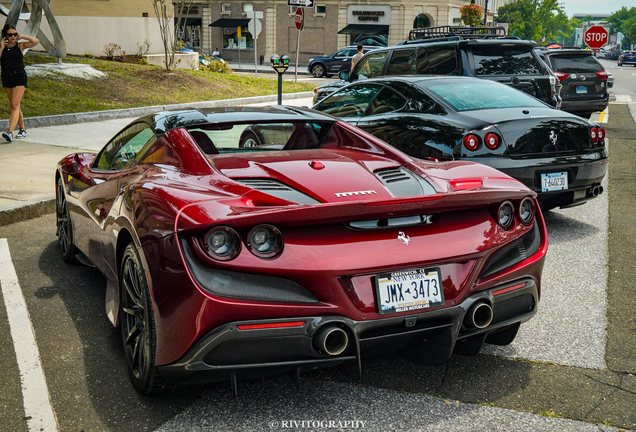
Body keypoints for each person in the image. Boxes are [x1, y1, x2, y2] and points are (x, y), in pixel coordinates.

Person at [0, 24, 39, 142]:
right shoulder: (2, 47)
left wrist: (22, 36)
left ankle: (10, 132)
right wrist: (1, 47)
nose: (13, 36)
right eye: (10, 34)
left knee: (14, 104)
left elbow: (36, 41)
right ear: (5, 35)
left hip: (19, 76)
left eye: (14, 34)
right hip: (6, 76)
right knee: (15, 105)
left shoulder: (20, 45)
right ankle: (22, 129)